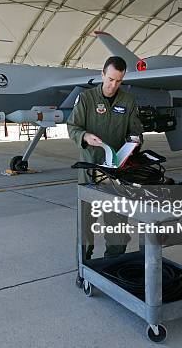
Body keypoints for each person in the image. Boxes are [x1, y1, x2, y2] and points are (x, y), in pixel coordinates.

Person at [67, 56, 144, 258]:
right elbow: (72, 127)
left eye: (119, 81)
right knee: (86, 223)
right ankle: (84, 266)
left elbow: (136, 130)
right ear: (102, 74)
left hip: (115, 171)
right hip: (90, 170)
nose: (113, 85)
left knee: (117, 222)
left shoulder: (128, 101)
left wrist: (134, 142)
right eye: (110, 79)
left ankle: (114, 263)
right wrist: (84, 136)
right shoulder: (86, 99)